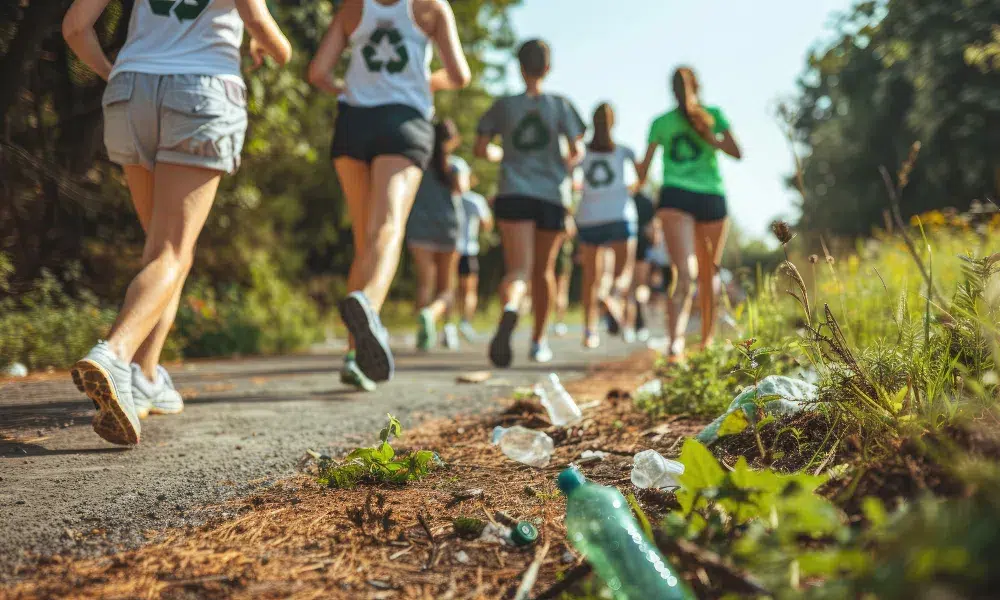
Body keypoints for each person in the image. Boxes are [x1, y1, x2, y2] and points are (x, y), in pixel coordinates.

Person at [62, 0, 291, 444]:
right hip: (201, 89)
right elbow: (259, 22)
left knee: (161, 252)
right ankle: (116, 355)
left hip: (131, 91)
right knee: (172, 250)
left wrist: (117, 72)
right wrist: (276, 51)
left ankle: (144, 376)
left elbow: (74, 26)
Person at [308, 0, 471, 388]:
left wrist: (346, 88)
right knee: (388, 228)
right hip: (404, 121)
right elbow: (459, 75)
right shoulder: (431, 7)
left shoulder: (352, 8)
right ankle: (369, 310)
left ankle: (354, 355)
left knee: (364, 240)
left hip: (353, 123)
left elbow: (317, 72)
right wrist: (430, 81)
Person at [475, 38, 586, 367]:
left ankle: (511, 308)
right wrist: (563, 166)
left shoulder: (503, 105)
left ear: (519, 67)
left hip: (513, 192)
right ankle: (539, 341)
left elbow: (481, 148)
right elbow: (578, 151)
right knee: (545, 271)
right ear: (547, 68)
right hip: (551, 195)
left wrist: (503, 155)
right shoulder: (561, 105)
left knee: (519, 270)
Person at [638, 66, 742, 359]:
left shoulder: (662, 122)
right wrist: (714, 141)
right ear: (698, 85)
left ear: (672, 90)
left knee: (683, 272)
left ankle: (675, 343)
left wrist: (633, 174)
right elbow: (737, 152)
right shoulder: (714, 114)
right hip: (710, 197)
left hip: (677, 197)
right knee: (708, 273)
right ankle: (706, 343)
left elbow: (643, 173)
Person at [574, 103, 640, 349]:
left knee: (590, 278)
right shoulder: (624, 151)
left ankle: (590, 332)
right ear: (614, 123)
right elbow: (641, 175)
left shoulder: (582, 152)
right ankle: (611, 295)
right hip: (619, 215)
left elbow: (569, 172)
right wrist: (632, 188)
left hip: (589, 216)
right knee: (624, 272)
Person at [405, 119, 469, 352]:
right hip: (448, 227)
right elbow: (462, 190)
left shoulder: (419, 163)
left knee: (424, 283)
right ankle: (439, 323)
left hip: (419, 226)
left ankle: (422, 331)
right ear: (452, 140)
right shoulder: (455, 165)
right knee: (446, 286)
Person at [454, 188, 493, 341]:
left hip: (447, 248)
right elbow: (487, 224)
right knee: (469, 291)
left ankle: (449, 325)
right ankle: (465, 323)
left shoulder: (446, 197)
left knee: (450, 290)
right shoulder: (475, 199)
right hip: (468, 250)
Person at [625, 191, 660, 342]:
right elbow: (654, 232)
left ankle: (633, 324)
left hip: (631, 244)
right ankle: (635, 324)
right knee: (637, 287)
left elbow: (654, 229)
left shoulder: (631, 198)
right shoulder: (646, 200)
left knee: (633, 287)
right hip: (637, 246)